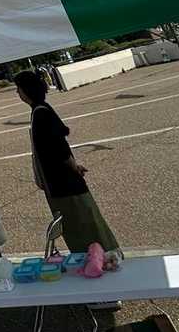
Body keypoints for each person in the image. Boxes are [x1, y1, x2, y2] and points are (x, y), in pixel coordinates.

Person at [16, 69, 121, 258]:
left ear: (26, 90)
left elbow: (59, 146)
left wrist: (73, 166)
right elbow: (60, 143)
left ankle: (100, 256)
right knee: (81, 220)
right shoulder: (41, 109)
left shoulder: (41, 113)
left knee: (81, 222)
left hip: (62, 183)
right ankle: (98, 256)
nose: (18, 93)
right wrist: (74, 165)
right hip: (61, 181)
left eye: (19, 89)